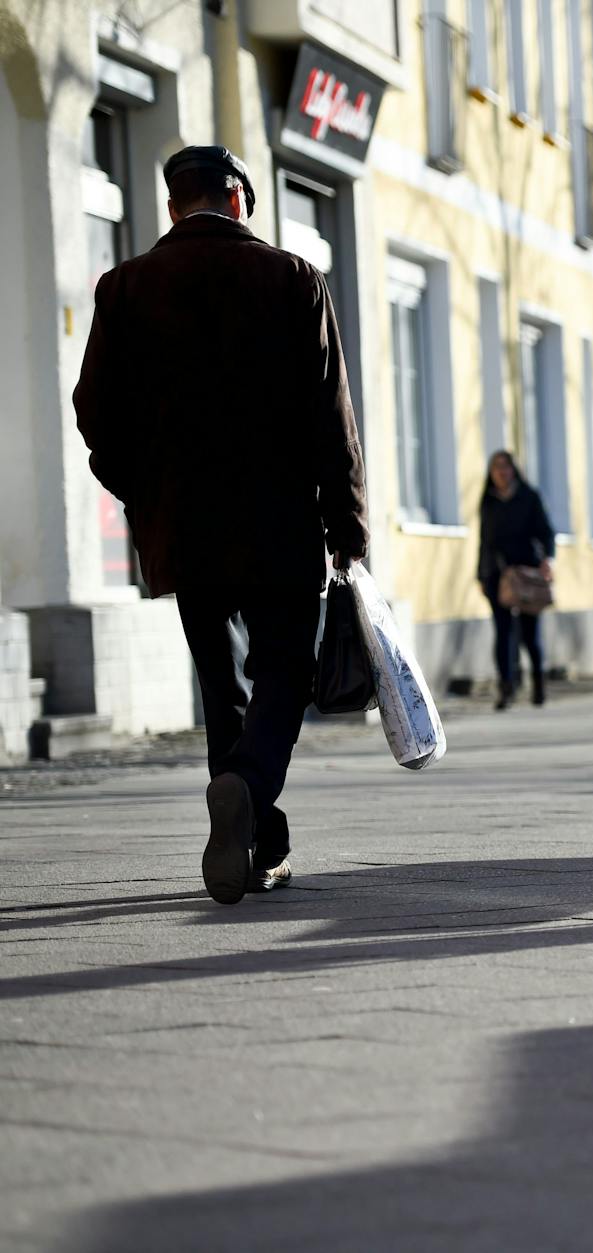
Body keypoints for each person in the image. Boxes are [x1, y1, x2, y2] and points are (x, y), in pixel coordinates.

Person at [72, 146, 369, 906]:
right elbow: (332, 420)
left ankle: (257, 842)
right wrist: (349, 527)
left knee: (220, 684)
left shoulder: (125, 287)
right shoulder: (293, 278)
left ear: (176, 207)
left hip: (184, 529)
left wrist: (143, 492)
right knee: (283, 674)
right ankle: (244, 785)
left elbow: (94, 412)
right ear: (240, 201)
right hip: (280, 523)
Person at [477, 451, 555, 709]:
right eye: (496, 468)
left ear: (514, 471)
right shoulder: (488, 500)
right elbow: (484, 540)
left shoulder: (529, 497)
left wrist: (547, 560)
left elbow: (546, 532)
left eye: (506, 467)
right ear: (491, 473)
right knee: (503, 633)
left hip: (526, 575)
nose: (502, 473)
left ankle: (539, 684)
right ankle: (506, 689)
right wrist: (481, 573)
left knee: (530, 635)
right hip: (496, 576)